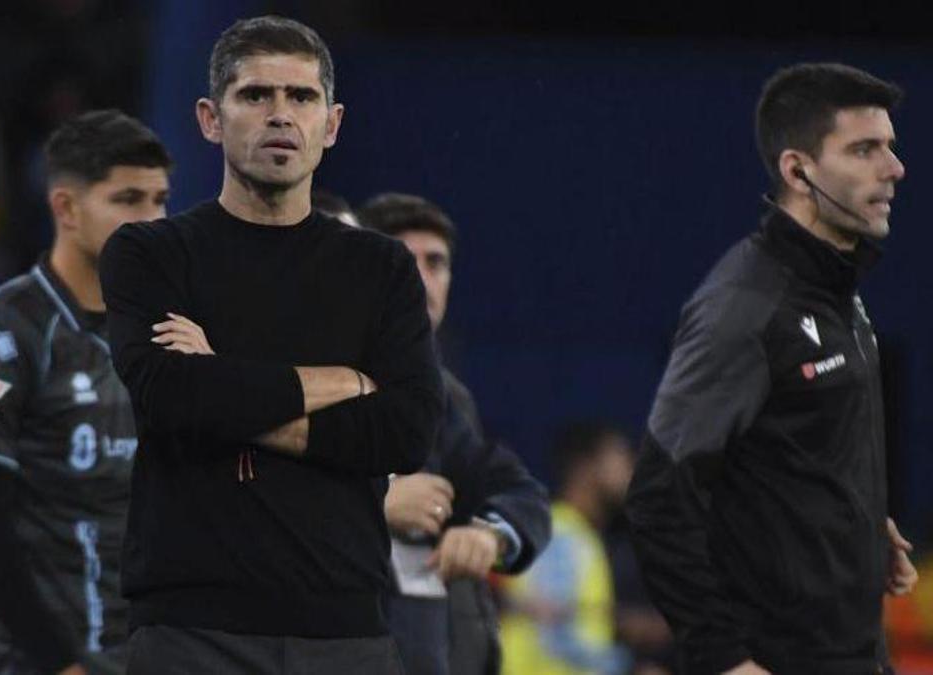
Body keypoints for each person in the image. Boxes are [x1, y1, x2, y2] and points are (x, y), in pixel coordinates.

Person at [98, 15, 444, 674]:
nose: (280, 115)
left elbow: (405, 430)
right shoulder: (151, 253)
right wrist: (346, 381)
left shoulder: (383, 267)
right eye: (256, 95)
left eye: (301, 97)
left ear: (332, 124)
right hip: (190, 634)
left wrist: (223, 385)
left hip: (346, 634)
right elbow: (172, 399)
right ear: (209, 117)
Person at [625, 62, 916, 675]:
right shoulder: (745, 307)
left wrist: (859, 529)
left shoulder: (838, 289)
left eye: (889, 146)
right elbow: (658, 497)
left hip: (858, 654)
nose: (894, 168)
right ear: (797, 169)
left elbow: (792, 450)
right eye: (865, 149)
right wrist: (724, 658)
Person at [0, 110, 170, 675]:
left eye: (160, 200)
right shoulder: (4, 333)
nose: (152, 220)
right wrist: (60, 664)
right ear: (66, 208)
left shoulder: (168, 330)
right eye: (128, 200)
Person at [358, 192, 551, 675]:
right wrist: (377, 501)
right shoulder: (309, 375)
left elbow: (518, 490)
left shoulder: (444, 396)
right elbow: (255, 493)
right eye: (405, 259)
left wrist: (490, 535)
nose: (424, 279)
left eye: (437, 263)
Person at [499, 423, 634, 675]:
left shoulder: (577, 534)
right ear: (585, 468)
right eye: (618, 455)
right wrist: (625, 666)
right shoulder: (560, 534)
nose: (630, 469)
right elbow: (554, 637)